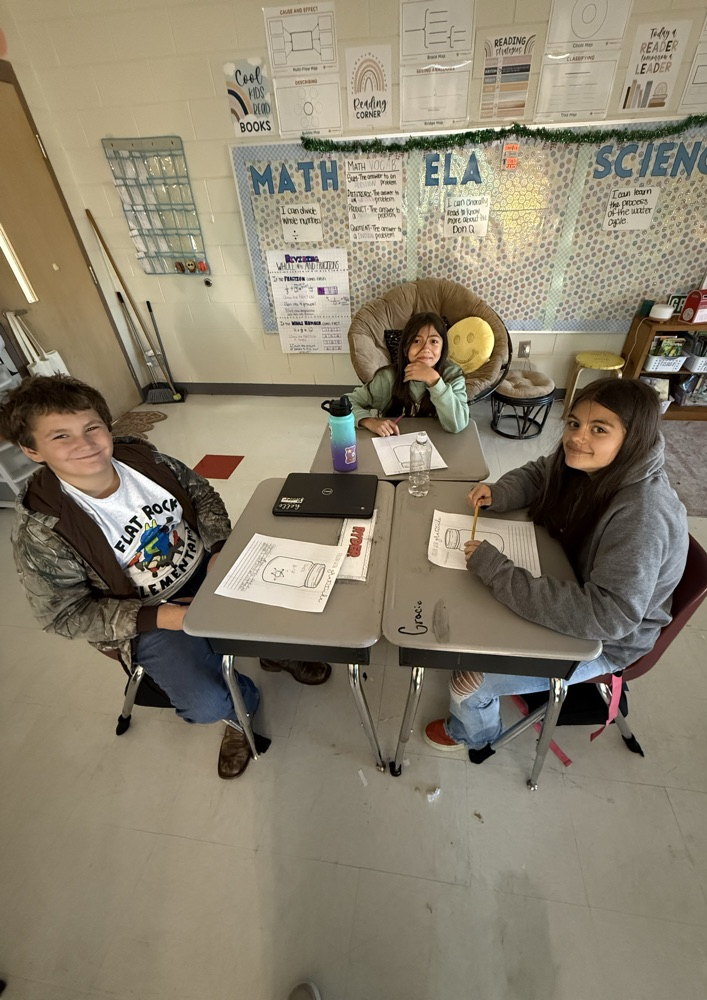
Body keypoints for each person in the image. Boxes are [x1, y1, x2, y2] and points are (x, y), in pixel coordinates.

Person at [0, 375, 330, 780]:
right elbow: (64, 615)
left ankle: (272, 653)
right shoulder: (43, 529)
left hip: (204, 570)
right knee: (205, 702)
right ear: (32, 450)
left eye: (92, 429)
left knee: (289, 590)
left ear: (107, 427)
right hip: (145, 615)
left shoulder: (145, 462)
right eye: (61, 437)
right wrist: (162, 617)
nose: (84, 445)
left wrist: (218, 548)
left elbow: (201, 496)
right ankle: (236, 710)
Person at [424, 377, 689, 756]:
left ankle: (476, 735)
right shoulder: (596, 464)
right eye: (574, 423)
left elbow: (610, 615)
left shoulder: (643, 513)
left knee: (469, 681)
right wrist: (501, 491)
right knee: (472, 619)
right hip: (569, 581)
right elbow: (538, 473)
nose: (578, 438)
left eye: (599, 429)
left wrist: (498, 571)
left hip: (606, 642)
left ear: (634, 439)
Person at [347, 311, 469, 436]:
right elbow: (347, 402)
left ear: (443, 348)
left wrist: (434, 381)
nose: (426, 348)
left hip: (440, 445)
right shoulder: (388, 378)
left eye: (434, 341)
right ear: (405, 348)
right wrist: (369, 421)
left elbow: (457, 425)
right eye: (416, 341)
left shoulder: (453, 375)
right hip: (394, 443)